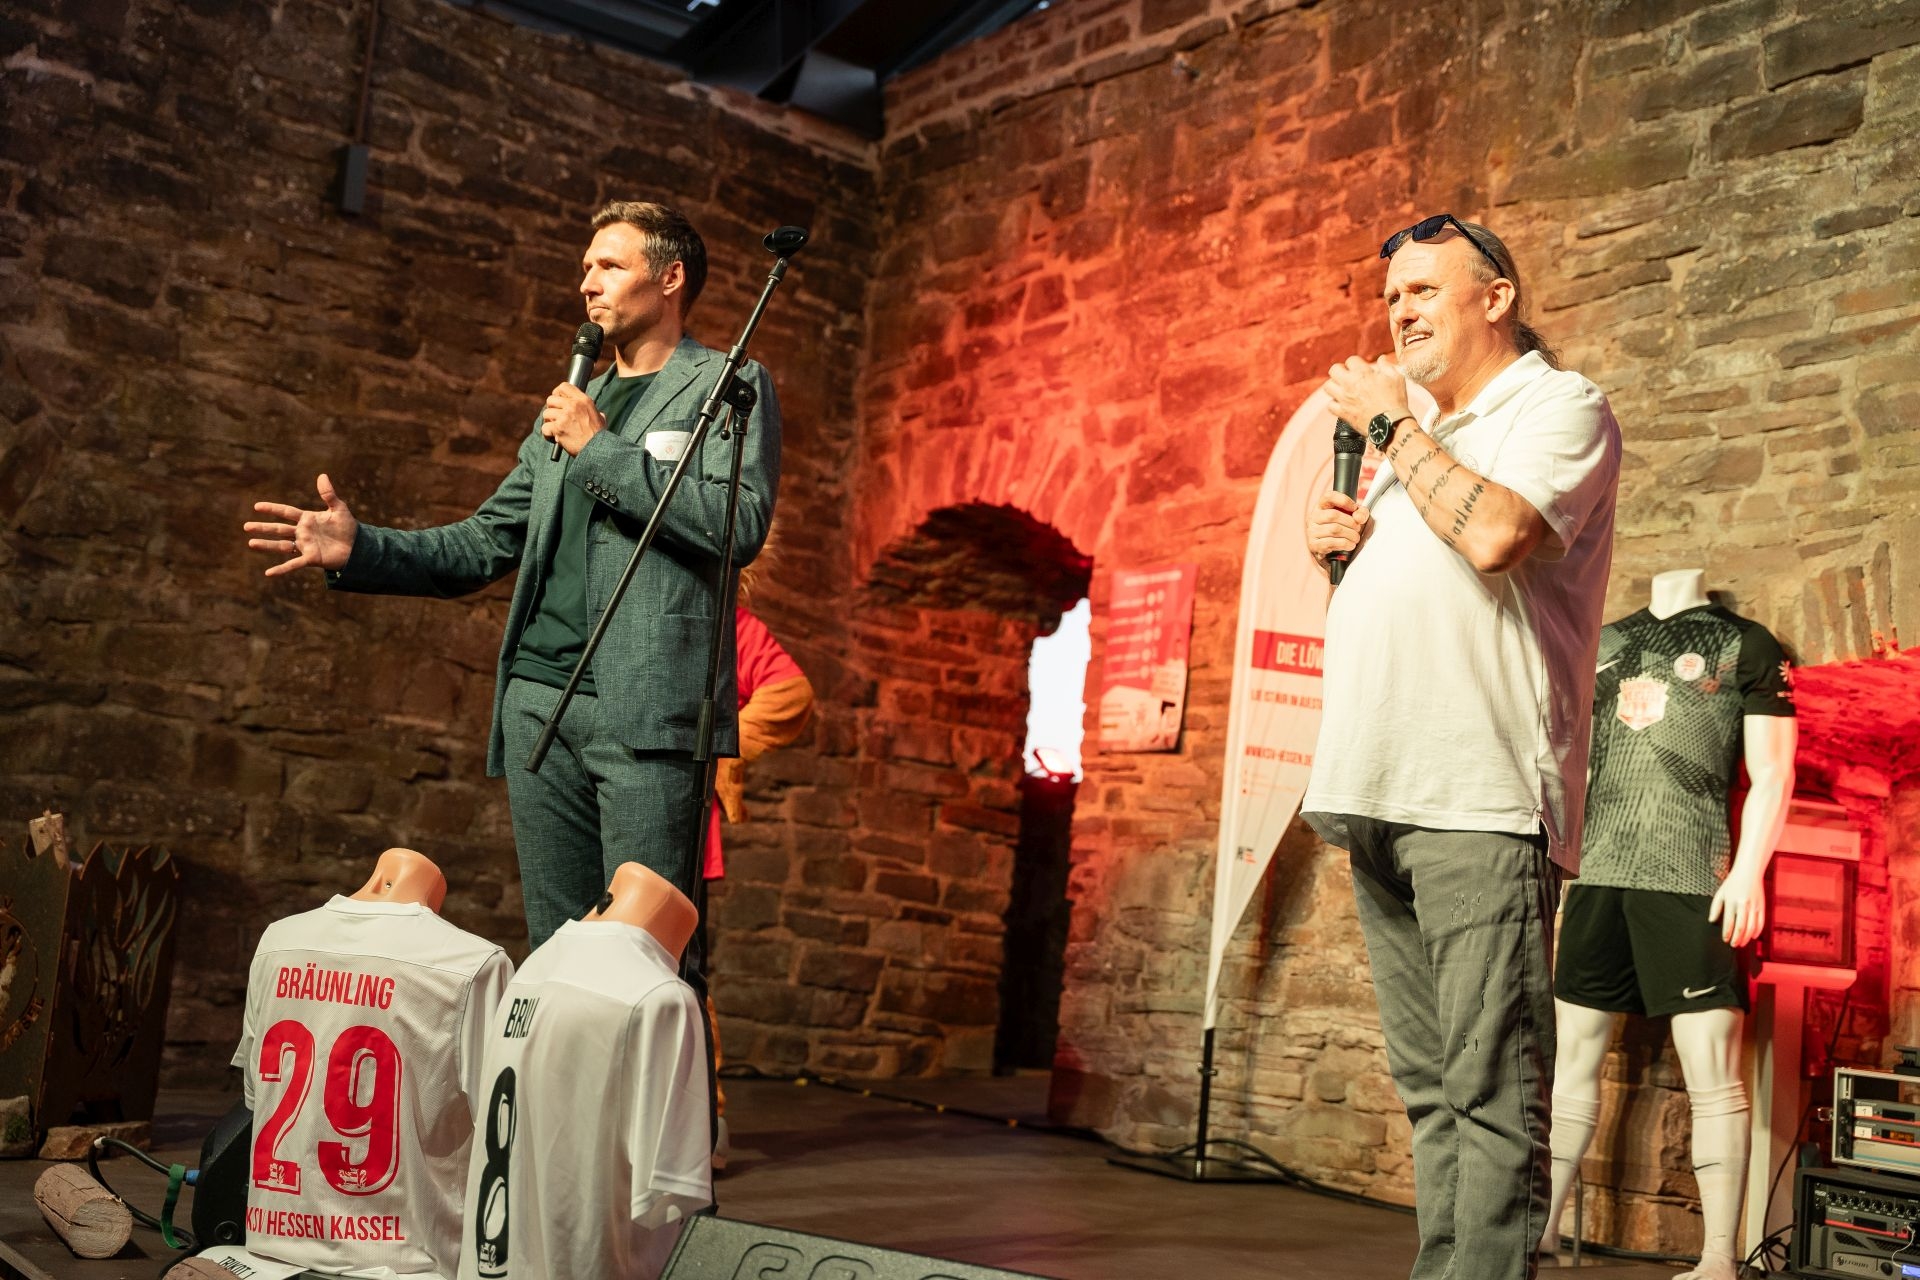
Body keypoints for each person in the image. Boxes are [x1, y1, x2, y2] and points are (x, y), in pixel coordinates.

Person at [243, 200, 781, 955]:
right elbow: (485, 542)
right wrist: (361, 549)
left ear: (671, 278)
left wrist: (600, 450)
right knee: (556, 954)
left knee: (652, 958)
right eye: (585, 267)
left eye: (610, 265)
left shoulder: (725, 384)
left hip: (649, 714)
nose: (587, 282)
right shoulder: (569, 406)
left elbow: (738, 523)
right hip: (540, 704)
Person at [1301, 214, 1623, 1280]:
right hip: (1379, 788)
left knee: (1491, 1090)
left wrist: (1391, 426)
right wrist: (1336, 550)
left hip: (1478, 798)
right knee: (1433, 1090)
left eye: (1424, 289)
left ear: (1496, 298)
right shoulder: (1417, 439)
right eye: (1392, 295)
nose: (1400, 311)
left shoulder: (1557, 406)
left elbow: (1494, 536)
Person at [1541, 568, 1797, 1279]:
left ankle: (1718, 1258)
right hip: (1598, 873)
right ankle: (1543, 1230)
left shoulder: (1745, 644)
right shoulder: (1603, 641)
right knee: (1571, 1060)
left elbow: (1774, 774)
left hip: (1692, 877)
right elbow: (1567, 759)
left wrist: (1747, 872)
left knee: (1712, 1072)